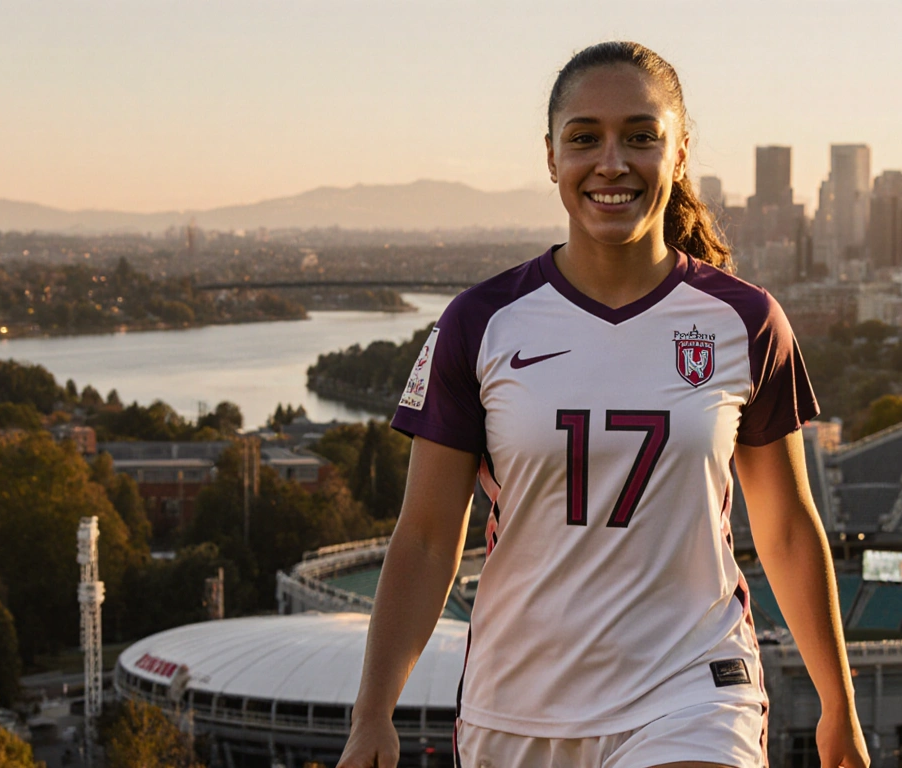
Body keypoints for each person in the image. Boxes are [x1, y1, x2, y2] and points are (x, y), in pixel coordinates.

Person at [336, 41, 869, 768]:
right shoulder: (482, 322)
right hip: (518, 706)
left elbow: (784, 527)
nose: (611, 162)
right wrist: (373, 712)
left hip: (692, 689)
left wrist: (839, 707)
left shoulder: (745, 322)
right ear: (551, 157)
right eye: (585, 137)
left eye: (641, 136)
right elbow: (428, 538)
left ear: (679, 154)